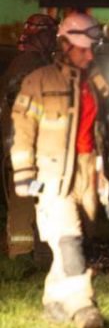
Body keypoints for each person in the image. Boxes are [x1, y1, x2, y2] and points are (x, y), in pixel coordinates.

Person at [10, 12, 109, 328]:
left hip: (89, 176)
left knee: (76, 241)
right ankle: (84, 305)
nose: (90, 53)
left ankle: (54, 301)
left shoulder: (95, 82)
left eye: (93, 46)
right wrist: (24, 172)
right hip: (53, 176)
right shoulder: (38, 81)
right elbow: (21, 131)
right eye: (84, 46)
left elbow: (108, 136)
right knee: (69, 241)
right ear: (65, 44)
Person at [2, 14, 58, 258]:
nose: (54, 39)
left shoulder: (40, 63)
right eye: (51, 35)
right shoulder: (27, 64)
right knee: (25, 196)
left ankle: (36, 249)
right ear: (41, 36)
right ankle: (22, 251)